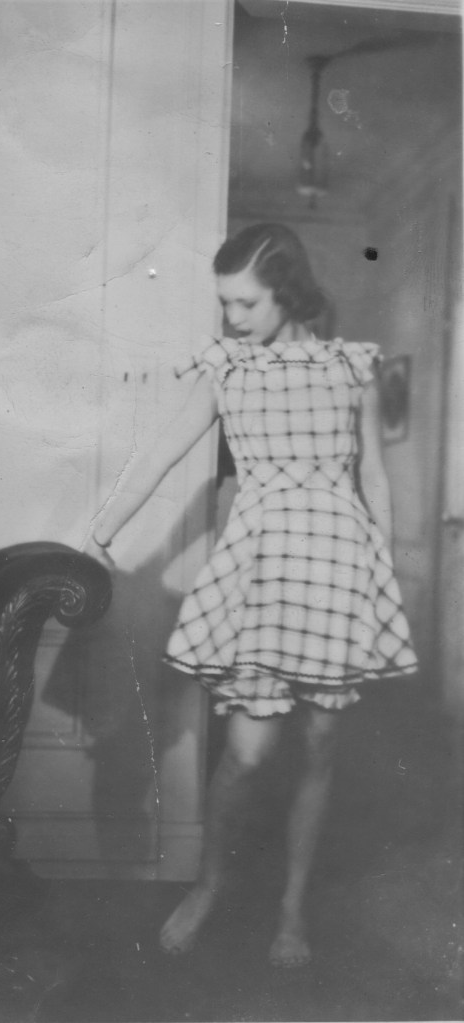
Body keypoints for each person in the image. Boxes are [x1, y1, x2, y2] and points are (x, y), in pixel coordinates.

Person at [84, 223, 418, 966]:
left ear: (286, 293)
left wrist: (383, 576)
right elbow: (159, 454)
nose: (232, 317)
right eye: (225, 303)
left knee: (321, 745)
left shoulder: (351, 368)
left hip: (338, 568)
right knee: (248, 753)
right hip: (262, 573)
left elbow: (373, 477)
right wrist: (100, 534)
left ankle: (291, 908)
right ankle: (209, 884)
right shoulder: (226, 370)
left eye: (246, 302)